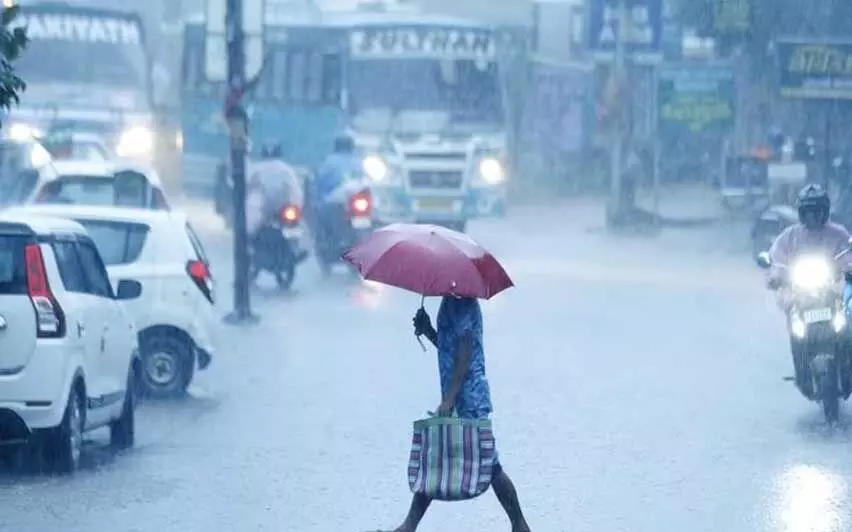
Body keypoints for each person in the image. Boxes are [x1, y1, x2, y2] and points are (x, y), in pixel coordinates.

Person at [374, 296, 532, 532]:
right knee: (438, 459)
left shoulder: (465, 303)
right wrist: (428, 330)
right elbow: (450, 349)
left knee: (487, 464)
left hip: (470, 396)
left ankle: (520, 524)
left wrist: (449, 398)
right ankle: (408, 526)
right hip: (458, 392)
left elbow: (465, 354)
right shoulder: (450, 301)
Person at [767, 183, 852, 394]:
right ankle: (802, 372)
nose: (814, 215)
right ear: (801, 212)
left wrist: (848, 269)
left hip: (831, 291)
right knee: (795, 328)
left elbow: (848, 253)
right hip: (800, 294)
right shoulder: (790, 236)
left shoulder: (839, 234)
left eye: (818, 210)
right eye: (809, 211)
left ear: (825, 211)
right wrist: (776, 277)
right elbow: (777, 259)